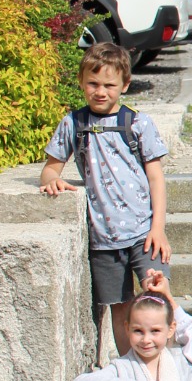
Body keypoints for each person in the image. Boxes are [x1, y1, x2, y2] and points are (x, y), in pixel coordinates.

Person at [40, 42, 171, 356]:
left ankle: (164, 363)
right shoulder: (73, 124)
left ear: (124, 85)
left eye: (109, 85)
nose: (100, 91)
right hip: (103, 239)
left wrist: (158, 228)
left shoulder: (137, 124)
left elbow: (156, 178)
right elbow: (50, 169)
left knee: (158, 295)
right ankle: (129, 366)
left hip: (143, 233)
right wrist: (52, 181)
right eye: (93, 83)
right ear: (81, 82)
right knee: (120, 309)